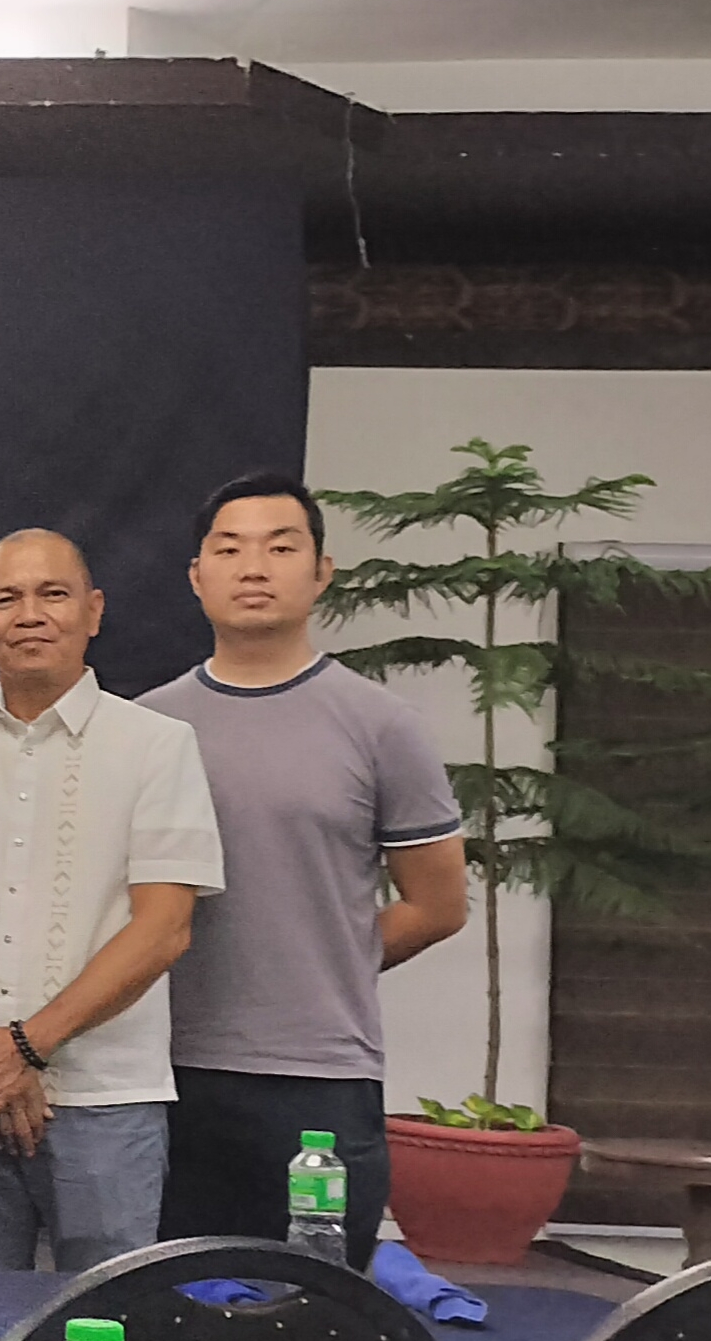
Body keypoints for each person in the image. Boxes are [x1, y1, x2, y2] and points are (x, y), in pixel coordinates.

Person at [141, 474, 467, 1267]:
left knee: (316, 1305)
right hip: (162, 1071)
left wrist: (324, 961)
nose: (253, 568)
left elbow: (437, 903)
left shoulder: (380, 724)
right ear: (196, 576)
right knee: (168, 1303)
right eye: (229, 549)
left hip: (319, 1078)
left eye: (280, 548)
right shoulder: (146, 726)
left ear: (321, 572)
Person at [0, 528, 224, 1272]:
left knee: (105, 1311)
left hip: (106, 1101)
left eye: (52, 594)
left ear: (93, 610)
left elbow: (164, 928)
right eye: (5, 599)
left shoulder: (157, 745)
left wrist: (26, 1046)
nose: (29, 614)